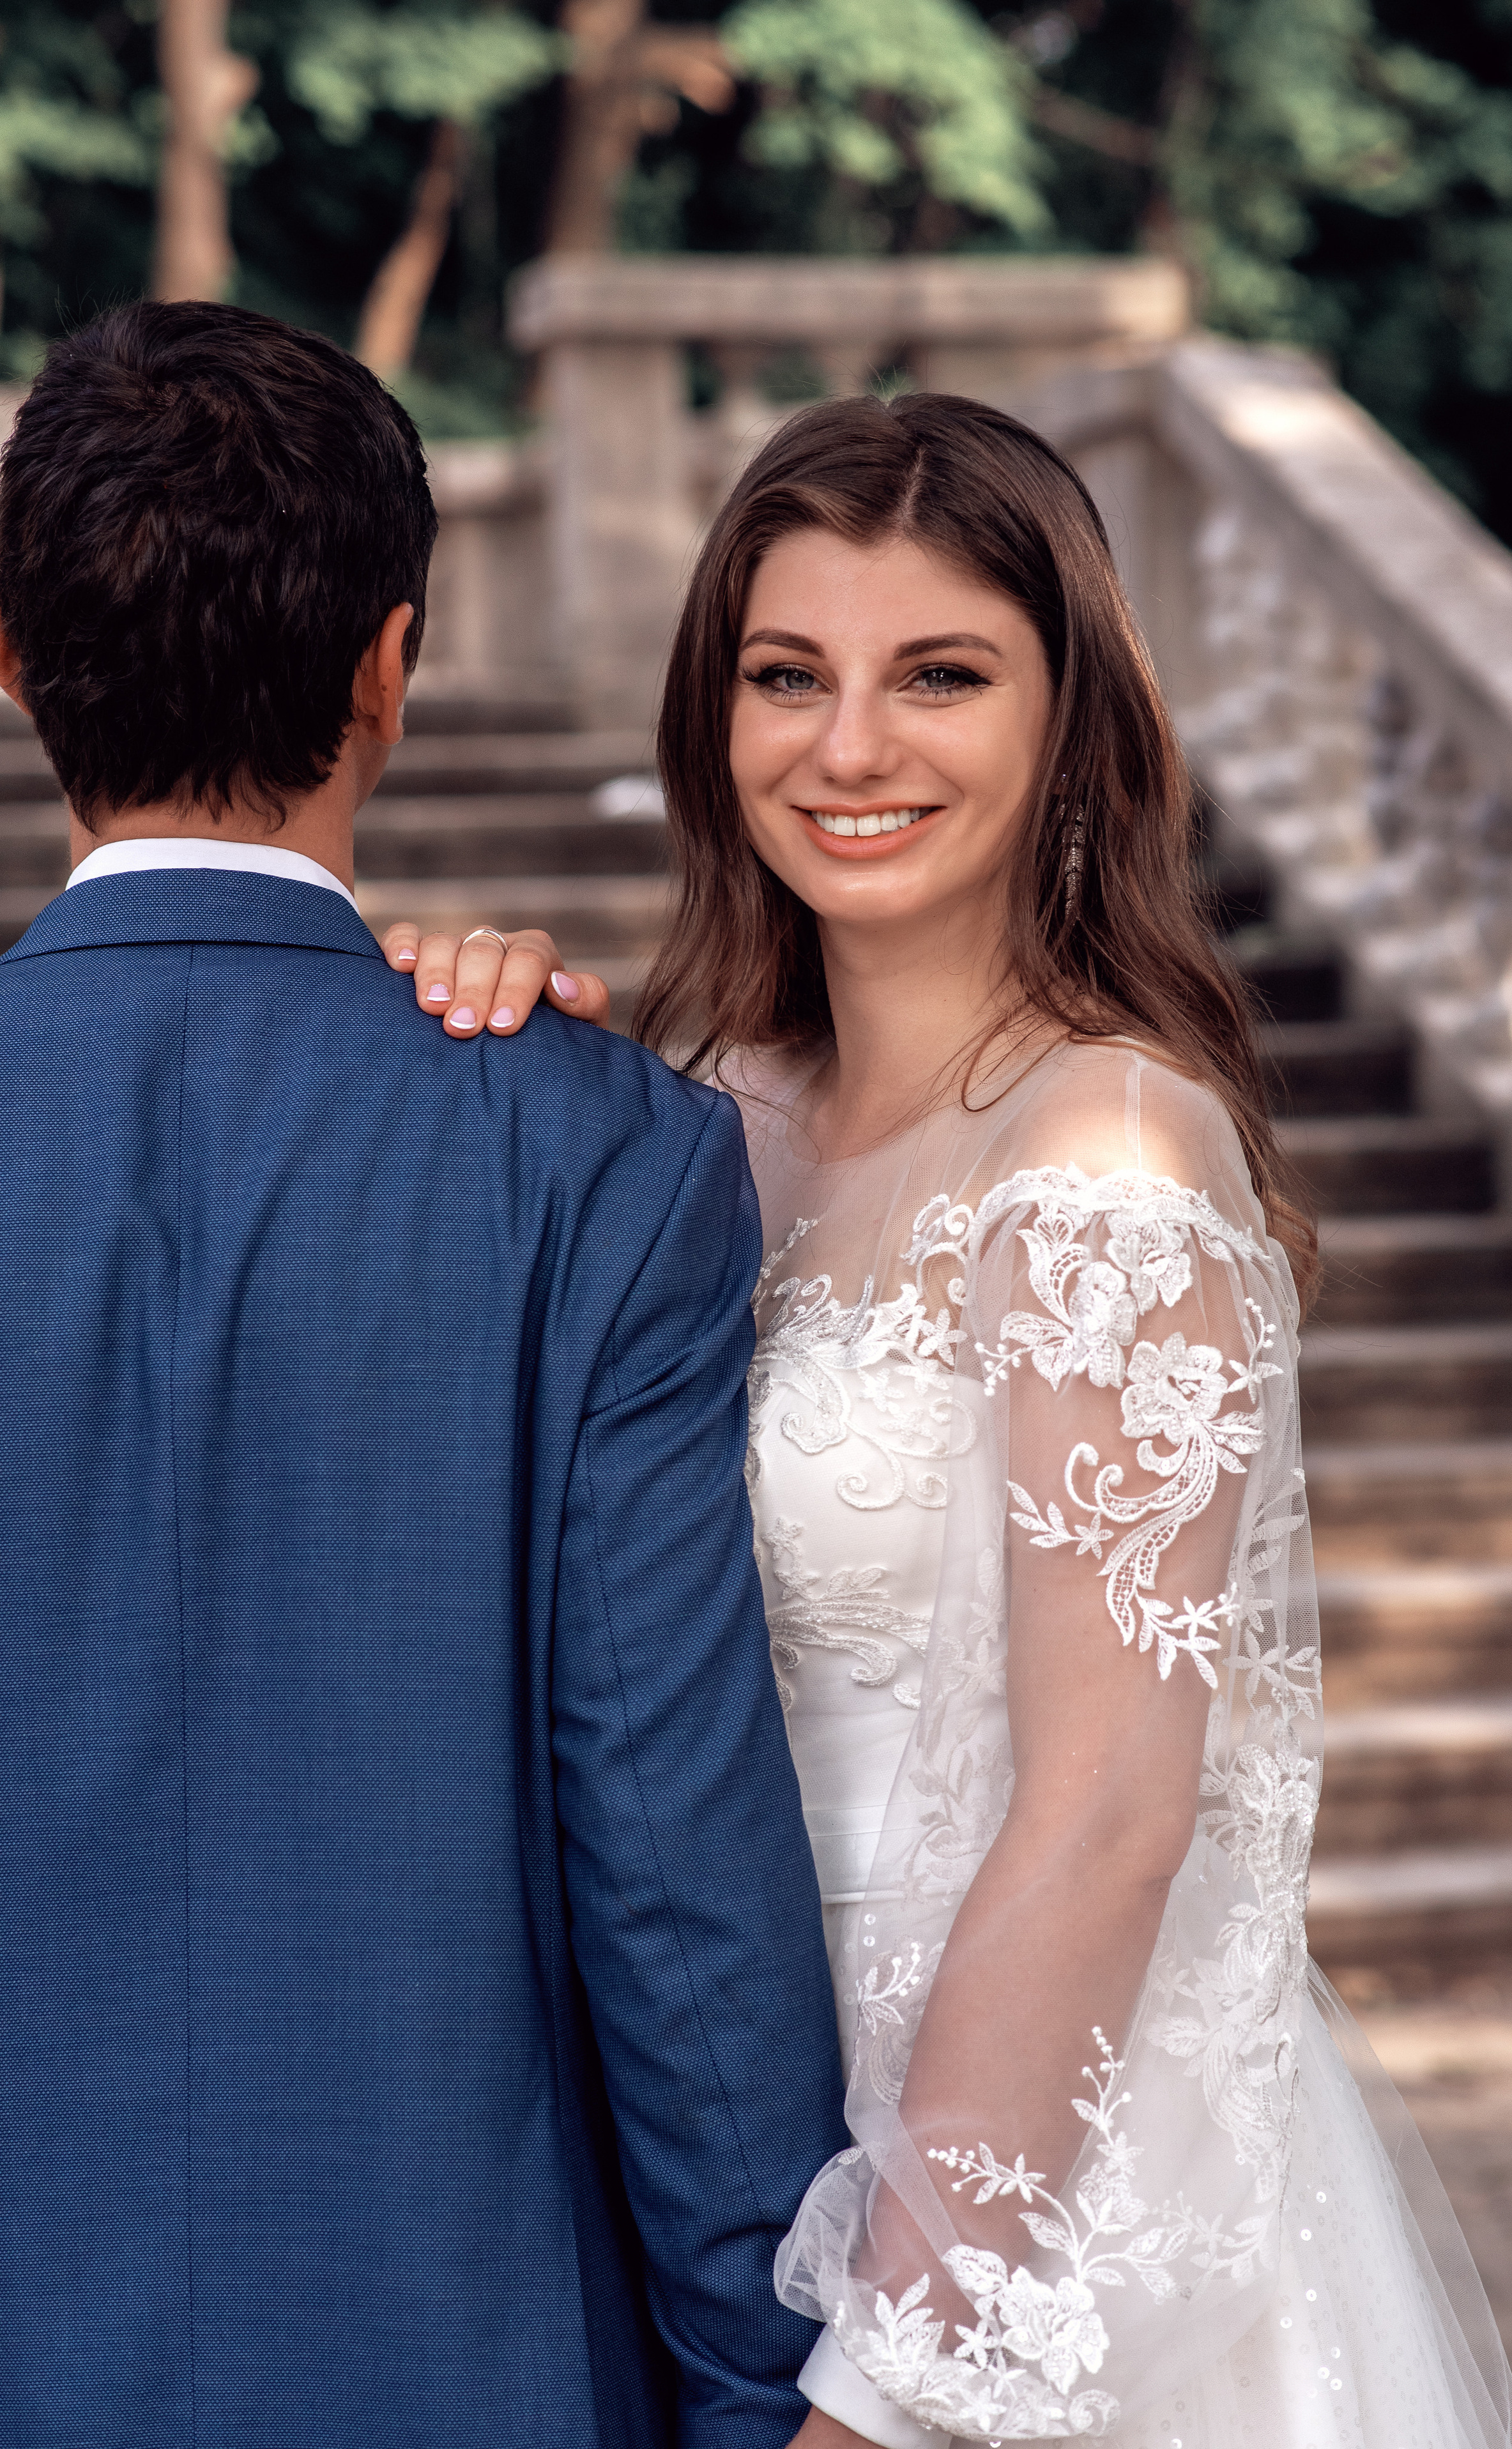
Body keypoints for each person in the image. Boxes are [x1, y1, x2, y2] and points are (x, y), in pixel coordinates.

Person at [381, 393, 1512, 2449]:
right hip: (718, 2146)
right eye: (786, 674)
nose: (849, 748)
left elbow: (1112, 1814)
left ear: (1067, 718)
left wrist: (903, 2377)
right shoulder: (695, 1118)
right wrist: (483, 1034)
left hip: (1031, 2222)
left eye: (939, 676)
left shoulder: (1106, 1148)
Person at [0, 300, 853, 2449]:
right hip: (452, 2352)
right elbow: (668, 1857)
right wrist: (775, 2389)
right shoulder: (598, 1150)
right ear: (395, 664)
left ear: (12, 665)